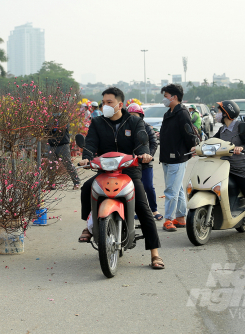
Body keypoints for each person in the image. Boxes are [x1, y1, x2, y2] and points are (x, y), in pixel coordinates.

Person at [78, 87, 164, 269]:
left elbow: (142, 143)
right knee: (87, 188)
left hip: (129, 172)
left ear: (120, 104)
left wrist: (145, 154)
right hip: (105, 171)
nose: (105, 106)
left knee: (142, 207)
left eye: (109, 102)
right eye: (103, 103)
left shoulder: (133, 122)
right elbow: (91, 142)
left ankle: (155, 254)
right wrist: (86, 156)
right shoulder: (98, 123)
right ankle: (89, 224)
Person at [208, 100, 245, 240]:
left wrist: (241, 148)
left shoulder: (240, 126)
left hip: (242, 168)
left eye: (220, 111)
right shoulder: (222, 130)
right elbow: (211, 142)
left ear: (227, 113)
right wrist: (198, 146)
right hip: (225, 168)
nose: (217, 114)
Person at [158, 84, 199, 232]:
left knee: (171, 190)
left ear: (174, 97)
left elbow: (188, 134)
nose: (164, 99)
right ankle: (181, 217)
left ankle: (168, 219)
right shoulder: (169, 113)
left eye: (166, 96)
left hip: (177, 157)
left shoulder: (182, 113)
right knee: (178, 188)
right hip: (167, 156)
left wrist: (192, 148)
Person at [127, 103, 163, 221]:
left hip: (145, 163)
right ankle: (139, 211)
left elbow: (153, 142)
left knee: (148, 186)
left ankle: (154, 210)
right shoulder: (125, 129)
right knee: (134, 188)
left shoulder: (146, 127)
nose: (132, 117)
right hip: (130, 164)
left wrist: (149, 155)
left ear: (140, 116)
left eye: (135, 115)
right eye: (130, 115)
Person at [44, 115, 81, 189]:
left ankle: (76, 182)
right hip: (52, 145)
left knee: (67, 163)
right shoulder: (49, 120)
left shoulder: (64, 119)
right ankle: (51, 184)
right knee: (51, 165)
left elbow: (62, 128)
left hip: (63, 145)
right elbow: (46, 130)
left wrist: (53, 128)